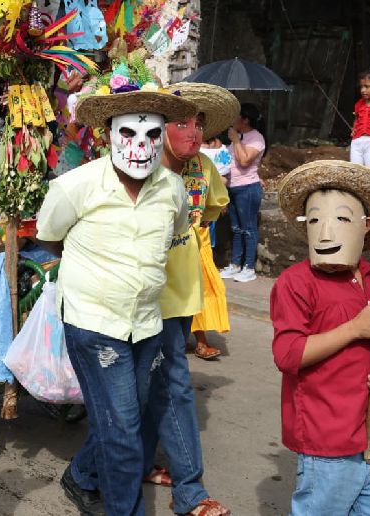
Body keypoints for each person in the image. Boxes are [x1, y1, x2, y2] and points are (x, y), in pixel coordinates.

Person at [36, 59, 195, 516]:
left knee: (125, 416)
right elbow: (50, 236)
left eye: (151, 134)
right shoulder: (75, 187)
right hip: (93, 322)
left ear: (163, 134)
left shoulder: (173, 189)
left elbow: (176, 232)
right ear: (108, 134)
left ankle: (82, 475)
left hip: (147, 322)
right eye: (129, 133)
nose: (141, 145)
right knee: (123, 432)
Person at [272, 160, 370, 515]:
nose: (325, 233)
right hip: (328, 443)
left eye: (341, 220)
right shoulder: (295, 282)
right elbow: (288, 355)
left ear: (366, 226)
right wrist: (355, 329)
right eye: (316, 220)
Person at [139, 81, 234, 516]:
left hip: (180, 295)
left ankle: (182, 486)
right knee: (158, 386)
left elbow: (211, 211)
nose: (193, 133)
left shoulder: (205, 171)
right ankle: (185, 490)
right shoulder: (138, 165)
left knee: (164, 384)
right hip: (139, 293)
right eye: (182, 123)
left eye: (198, 124)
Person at [221, 103, 266, 283]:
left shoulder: (256, 138)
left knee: (248, 229)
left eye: (237, 117)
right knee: (236, 229)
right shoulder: (235, 138)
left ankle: (248, 267)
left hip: (248, 188)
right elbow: (227, 160)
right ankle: (235, 264)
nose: (234, 120)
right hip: (233, 187)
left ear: (245, 119)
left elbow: (245, 161)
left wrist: (237, 141)